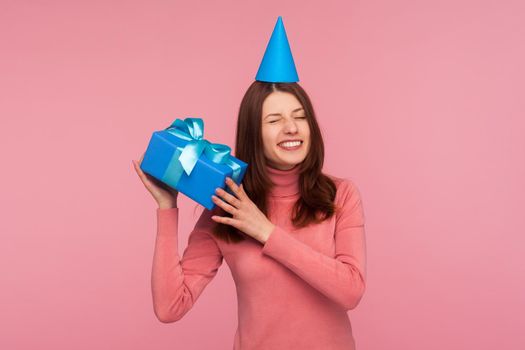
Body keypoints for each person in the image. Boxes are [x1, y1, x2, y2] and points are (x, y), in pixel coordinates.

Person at [133, 17, 367, 350]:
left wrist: (266, 232)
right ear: (254, 133)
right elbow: (170, 308)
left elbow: (351, 291)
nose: (291, 127)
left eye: (299, 116)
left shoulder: (341, 195)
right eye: (275, 120)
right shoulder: (226, 206)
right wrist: (167, 208)